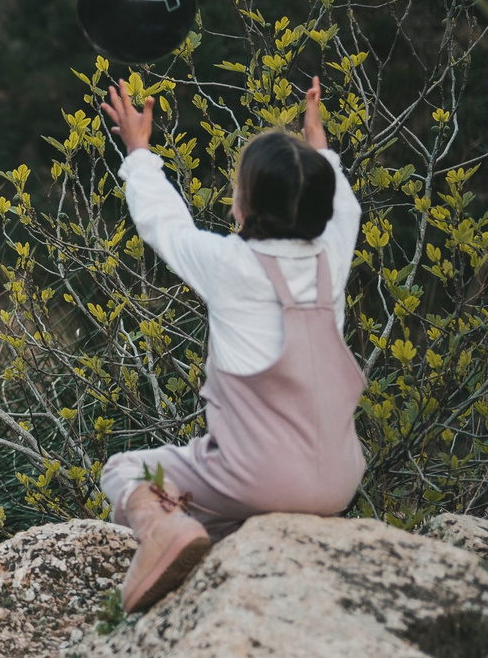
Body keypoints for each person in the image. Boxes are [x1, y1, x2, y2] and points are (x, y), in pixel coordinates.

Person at [96, 75, 365, 613]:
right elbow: (347, 207)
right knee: (215, 518)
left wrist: (140, 152)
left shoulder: (231, 265)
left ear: (245, 207)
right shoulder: (334, 254)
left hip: (255, 477)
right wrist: (319, 149)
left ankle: (163, 534)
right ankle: (210, 552)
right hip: (339, 479)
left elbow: (165, 224)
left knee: (127, 471)